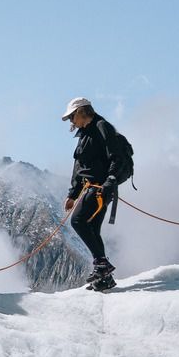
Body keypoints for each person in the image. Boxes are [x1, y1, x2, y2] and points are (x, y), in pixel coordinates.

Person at [61, 98, 122, 292]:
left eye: (72, 116)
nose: (71, 121)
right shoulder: (85, 134)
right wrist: (73, 194)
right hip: (94, 188)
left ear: (81, 112)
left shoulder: (102, 127)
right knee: (93, 229)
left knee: (78, 221)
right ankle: (106, 279)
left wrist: (110, 180)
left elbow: (116, 155)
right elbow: (80, 169)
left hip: (99, 188)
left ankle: (102, 264)